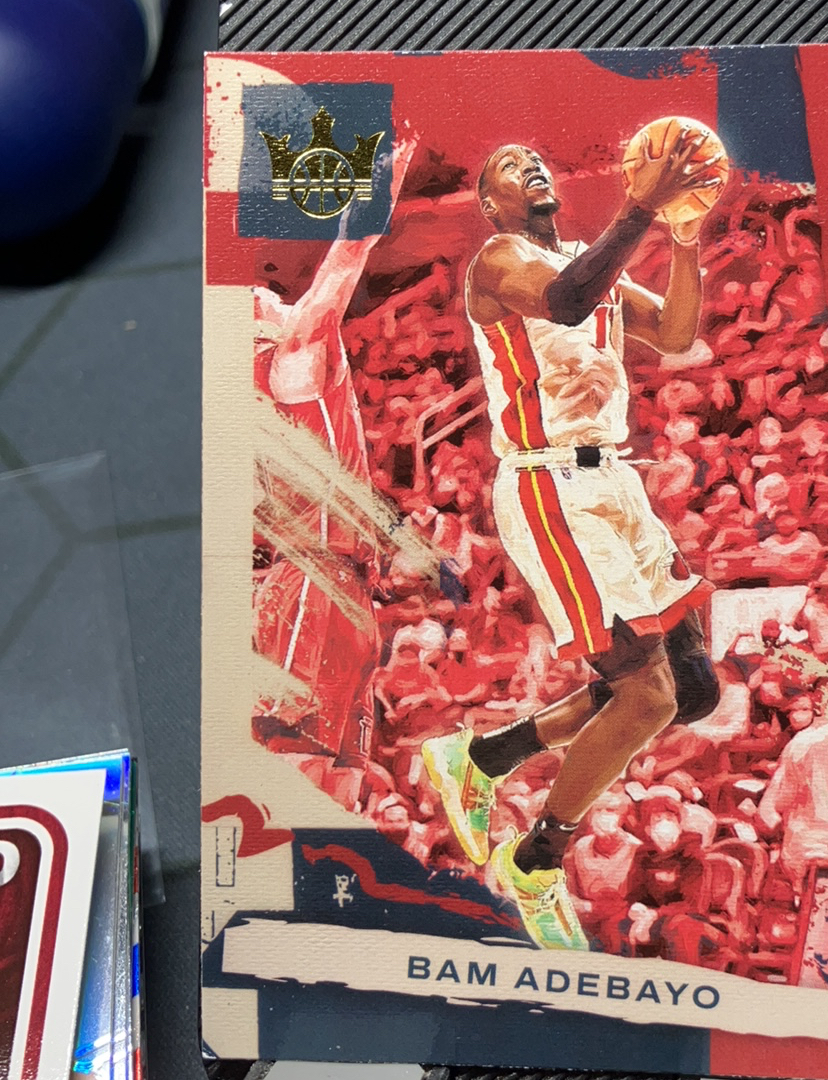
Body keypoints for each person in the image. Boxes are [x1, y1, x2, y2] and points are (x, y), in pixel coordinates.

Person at [422, 132, 723, 949]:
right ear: (490, 203)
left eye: (536, 159)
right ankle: (537, 861)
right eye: (509, 166)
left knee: (692, 689)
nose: (531, 166)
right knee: (647, 696)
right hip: (549, 483)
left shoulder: (594, 262)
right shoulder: (499, 260)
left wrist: (684, 237)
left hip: (614, 480)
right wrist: (643, 207)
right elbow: (564, 301)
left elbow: (678, 334)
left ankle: (484, 759)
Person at [252, 139, 414, 767]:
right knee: (297, 753)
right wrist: (382, 180)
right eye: (263, 298)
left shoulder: (273, 387)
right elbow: (345, 260)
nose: (272, 295)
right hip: (314, 580)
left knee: (347, 770)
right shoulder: (290, 361)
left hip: (342, 587)